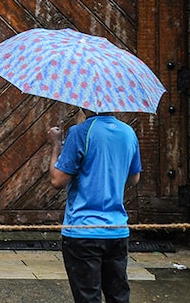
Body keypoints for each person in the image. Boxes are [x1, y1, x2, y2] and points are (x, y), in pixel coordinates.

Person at [48, 110, 141, 303]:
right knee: (118, 296)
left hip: (83, 231)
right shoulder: (128, 132)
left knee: (88, 298)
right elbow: (134, 178)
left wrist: (56, 144)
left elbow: (57, 180)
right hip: (117, 231)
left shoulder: (80, 132)